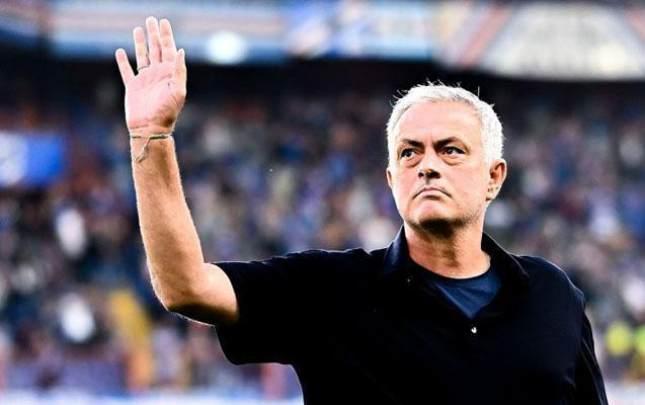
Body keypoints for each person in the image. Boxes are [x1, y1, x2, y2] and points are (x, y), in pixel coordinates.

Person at [115, 17, 608, 405]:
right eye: (409, 153)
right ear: (392, 180)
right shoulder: (329, 290)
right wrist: (152, 137)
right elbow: (185, 286)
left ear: (494, 177)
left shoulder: (552, 296)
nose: (427, 166)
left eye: (451, 150)